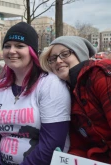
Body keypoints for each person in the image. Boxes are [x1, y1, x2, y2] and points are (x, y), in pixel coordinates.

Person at [0, 22, 71, 165]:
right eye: (7, 46)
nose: (11, 51)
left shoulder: (50, 84)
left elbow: (53, 143)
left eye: (19, 46)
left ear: (32, 51)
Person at [39, 36, 111, 164]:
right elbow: (79, 143)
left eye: (65, 54)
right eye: (53, 58)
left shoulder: (100, 75)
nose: (58, 61)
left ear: (80, 54)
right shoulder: (68, 92)